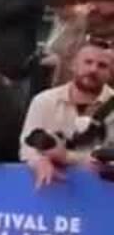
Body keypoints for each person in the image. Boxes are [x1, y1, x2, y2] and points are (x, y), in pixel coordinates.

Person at [20, 40, 113, 188]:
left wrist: (65, 157)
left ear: (110, 73)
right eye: (88, 62)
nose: (93, 69)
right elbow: (27, 146)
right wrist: (39, 161)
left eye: (102, 65)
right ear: (73, 65)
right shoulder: (44, 100)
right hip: (53, 188)